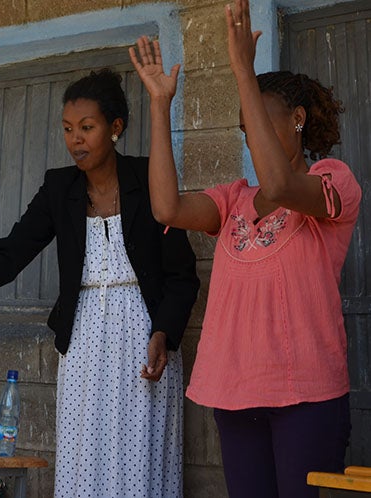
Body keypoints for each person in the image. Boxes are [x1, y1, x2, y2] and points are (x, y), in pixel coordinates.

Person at [0, 69, 200, 498]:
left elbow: (182, 276)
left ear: (115, 128)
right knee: (83, 453)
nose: (76, 140)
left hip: (143, 337)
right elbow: (10, 256)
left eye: (87, 128)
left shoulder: (149, 179)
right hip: (84, 339)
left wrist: (163, 334)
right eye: (68, 129)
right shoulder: (60, 188)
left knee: (138, 453)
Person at [129, 1, 361, 497]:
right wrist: (158, 106)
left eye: (257, 117)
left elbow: (278, 184)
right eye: (244, 125)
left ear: (297, 119)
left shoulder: (332, 181)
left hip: (306, 393)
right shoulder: (233, 198)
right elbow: (166, 208)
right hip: (234, 392)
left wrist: (242, 70)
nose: (249, 133)